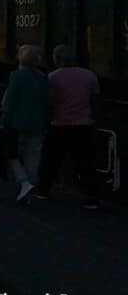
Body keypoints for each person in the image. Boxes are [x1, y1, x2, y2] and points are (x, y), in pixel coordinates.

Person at [37, 45, 101, 209]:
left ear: (57, 59)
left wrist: (48, 119)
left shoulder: (52, 77)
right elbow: (95, 100)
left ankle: (43, 190)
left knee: (51, 160)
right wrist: (93, 118)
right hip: (84, 124)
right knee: (86, 162)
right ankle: (91, 197)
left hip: (59, 124)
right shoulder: (89, 75)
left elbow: (49, 102)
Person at [0, 45, 49, 203]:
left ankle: (24, 182)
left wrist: (5, 120)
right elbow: (47, 101)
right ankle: (29, 191)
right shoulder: (42, 78)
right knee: (33, 158)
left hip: (17, 123)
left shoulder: (16, 76)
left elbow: (10, 102)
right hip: (38, 123)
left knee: (11, 154)